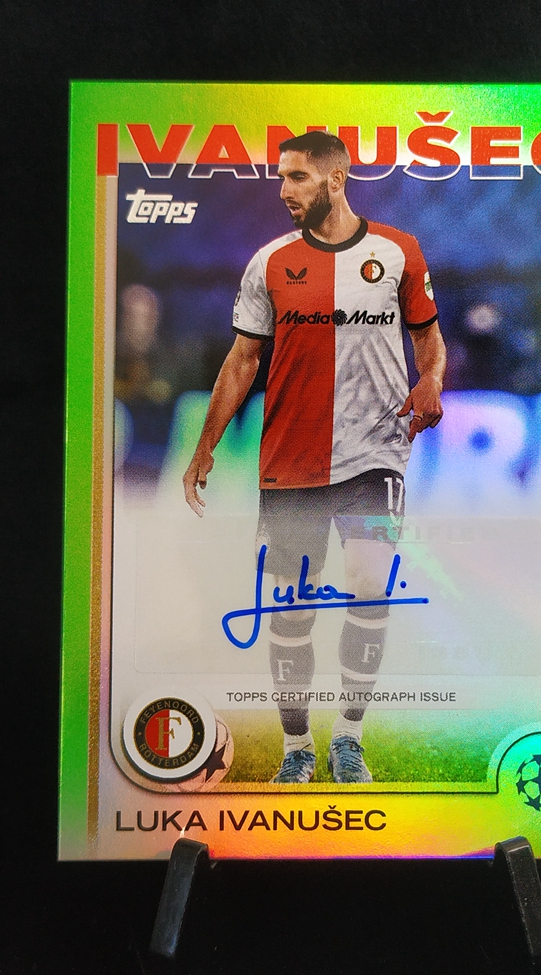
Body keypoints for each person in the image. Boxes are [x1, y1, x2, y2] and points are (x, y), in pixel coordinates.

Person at [183, 131, 446, 784]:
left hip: (375, 454)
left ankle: (348, 739)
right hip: (291, 462)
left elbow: (429, 338)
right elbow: (242, 360)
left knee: (369, 583)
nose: (283, 190)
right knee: (292, 606)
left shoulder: (398, 252)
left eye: (296, 176)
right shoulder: (269, 262)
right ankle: (298, 747)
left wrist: (431, 380)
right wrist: (205, 446)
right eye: (281, 177)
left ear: (335, 180)